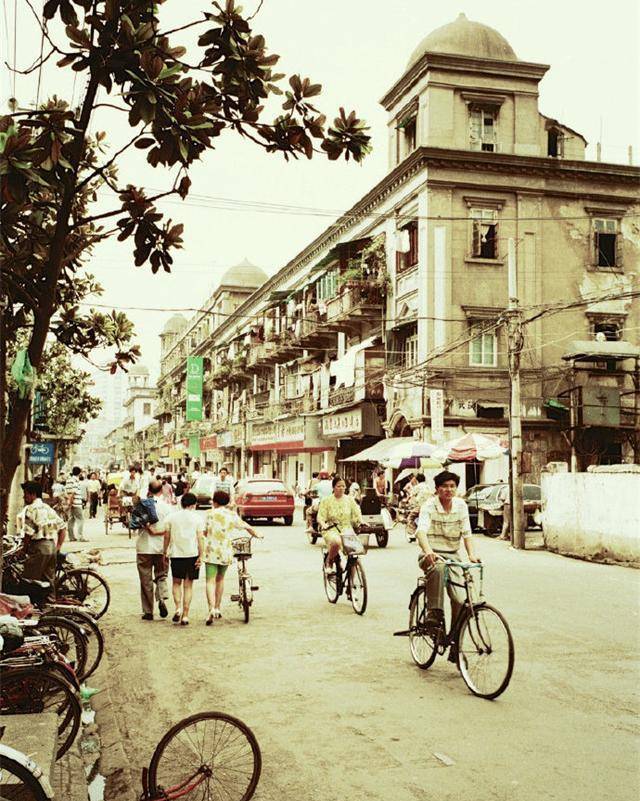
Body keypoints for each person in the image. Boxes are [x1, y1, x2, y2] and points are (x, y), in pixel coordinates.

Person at [415, 470, 480, 642]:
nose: (449, 490)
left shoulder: (461, 506)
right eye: (444, 486)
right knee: (438, 567)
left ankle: (455, 640)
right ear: (437, 489)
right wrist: (429, 551)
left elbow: (467, 533)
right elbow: (421, 531)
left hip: (453, 556)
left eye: (452, 486)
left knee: (460, 599)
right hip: (431, 553)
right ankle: (434, 613)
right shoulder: (429, 505)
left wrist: (471, 555)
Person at [203, 490, 262, 624]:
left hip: (211, 551)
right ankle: (217, 608)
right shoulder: (231, 515)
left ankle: (211, 609)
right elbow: (246, 526)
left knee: (210, 581)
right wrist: (257, 534)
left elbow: (205, 532)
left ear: (215, 501)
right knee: (220, 579)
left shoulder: (209, 514)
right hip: (225, 551)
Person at [17, 481, 67, 600]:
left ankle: (30, 606)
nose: (24, 497)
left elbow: (29, 532)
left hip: (39, 548)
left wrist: (23, 550)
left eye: (26, 494)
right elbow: (63, 527)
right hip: (51, 547)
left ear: (33, 494)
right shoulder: (47, 508)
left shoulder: (30, 509)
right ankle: (51, 605)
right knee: (49, 581)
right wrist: (58, 547)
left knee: (29, 580)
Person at [162, 493, 205, 626]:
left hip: (176, 554)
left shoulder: (171, 518)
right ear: (194, 504)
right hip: (192, 554)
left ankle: (177, 608)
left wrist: (164, 552)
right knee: (188, 585)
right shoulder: (197, 518)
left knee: (176, 583)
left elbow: (166, 537)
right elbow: (200, 538)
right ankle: (185, 615)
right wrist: (201, 555)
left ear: (182, 504)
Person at [136, 480, 172, 621]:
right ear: (161, 491)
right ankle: (162, 598)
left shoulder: (142, 506)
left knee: (145, 579)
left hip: (144, 547)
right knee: (161, 575)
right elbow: (170, 529)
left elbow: (135, 524)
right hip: (161, 547)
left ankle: (148, 611)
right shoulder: (168, 508)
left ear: (149, 491)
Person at [317, 476, 362, 569]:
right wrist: (323, 525)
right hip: (331, 529)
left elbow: (357, 513)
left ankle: (351, 581)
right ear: (333, 487)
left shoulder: (350, 500)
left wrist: (361, 521)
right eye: (339, 486)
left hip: (346, 529)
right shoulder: (326, 501)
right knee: (336, 542)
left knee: (353, 554)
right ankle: (329, 560)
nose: (341, 488)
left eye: (343, 486)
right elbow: (320, 517)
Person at [65, 466, 87, 542]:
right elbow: (73, 493)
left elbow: (68, 492)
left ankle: (71, 537)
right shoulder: (75, 481)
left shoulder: (68, 480)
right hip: (76, 503)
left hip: (71, 502)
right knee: (81, 520)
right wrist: (70, 503)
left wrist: (68, 502)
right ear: (79, 473)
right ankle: (80, 537)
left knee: (71, 520)